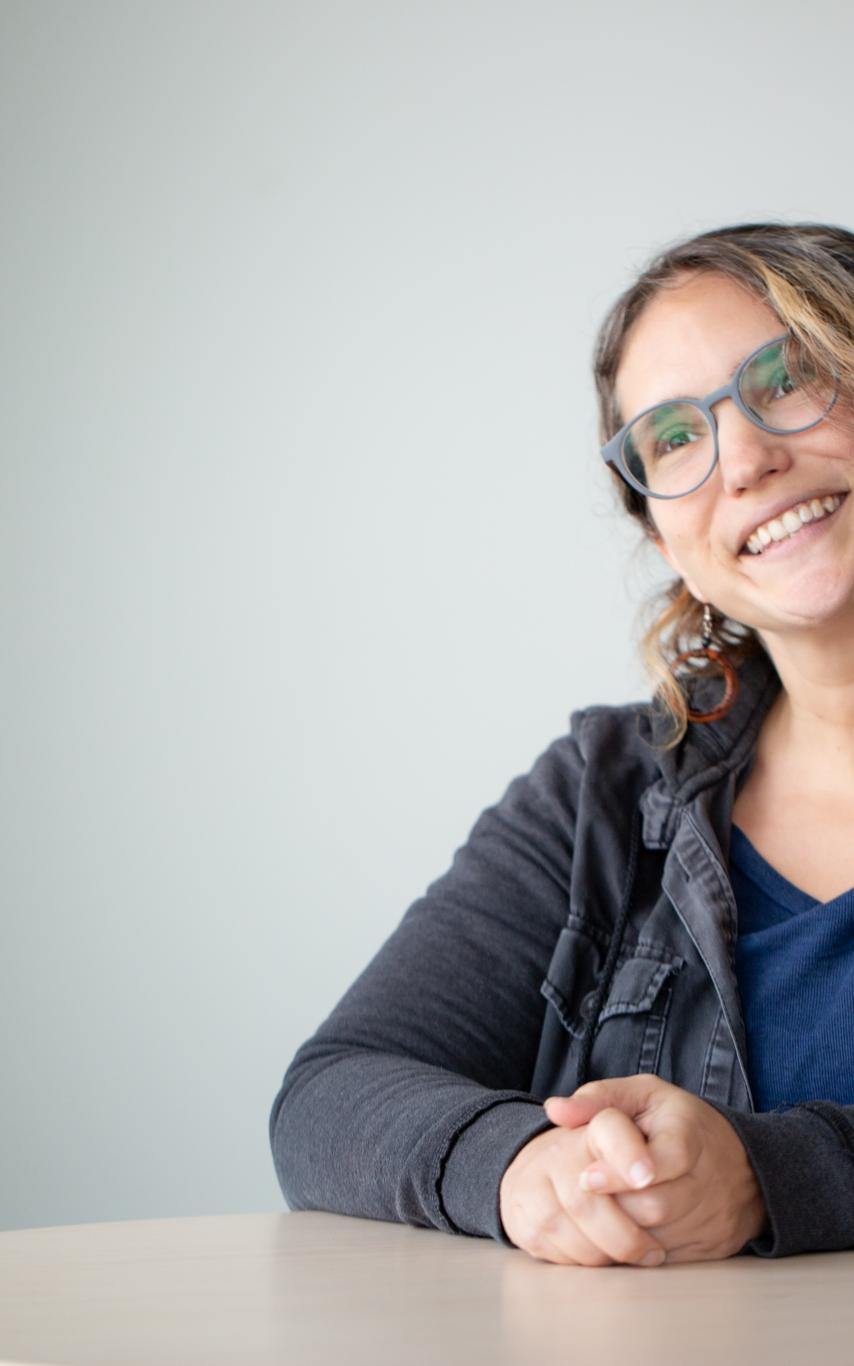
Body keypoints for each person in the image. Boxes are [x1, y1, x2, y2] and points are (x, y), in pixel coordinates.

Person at [269, 220, 854, 1268]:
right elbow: (331, 1093)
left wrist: (769, 1175)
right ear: (661, 535)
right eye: (674, 439)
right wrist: (526, 1166)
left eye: (792, 376)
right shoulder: (605, 792)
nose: (745, 460)